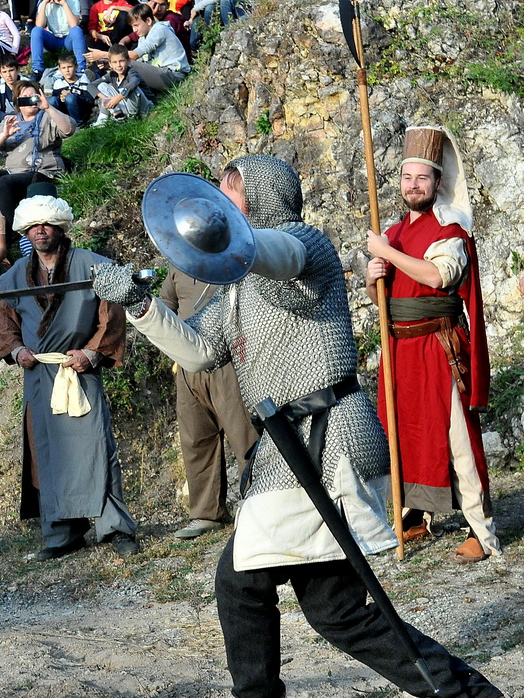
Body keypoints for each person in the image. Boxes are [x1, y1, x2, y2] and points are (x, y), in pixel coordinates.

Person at [91, 154, 505, 698]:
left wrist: (233, 240)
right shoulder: (235, 288)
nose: (219, 207)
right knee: (339, 614)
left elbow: (278, 257)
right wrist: (140, 304)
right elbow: (195, 351)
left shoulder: (305, 247)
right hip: (290, 448)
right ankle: (465, 692)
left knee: (238, 580)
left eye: (228, 197)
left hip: (329, 437)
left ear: (261, 199)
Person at [365, 126, 500, 564]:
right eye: (407, 178)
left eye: (423, 178)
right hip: (400, 348)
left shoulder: (452, 230)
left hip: (439, 348)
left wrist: (388, 252)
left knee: (457, 438)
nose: (414, 186)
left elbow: (438, 277)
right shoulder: (393, 231)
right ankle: (414, 516)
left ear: (438, 182)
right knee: (404, 434)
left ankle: (482, 531)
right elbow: (388, 297)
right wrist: (373, 278)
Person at [0, 194, 140, 560]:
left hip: (79, 370)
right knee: (48, 452)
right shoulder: (13, 276)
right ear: (25, 231)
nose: (40, 231)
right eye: (33, 226)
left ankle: (115, 528)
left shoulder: (95, 266)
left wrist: (91, 352)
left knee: (96, 448)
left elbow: (111, 314)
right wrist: (17, 352)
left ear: (60, 228)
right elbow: (7, 326)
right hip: (40, 376)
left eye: (47, 224)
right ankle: (63, 534)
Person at [158, 262, 258, 539]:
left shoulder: (232, 257)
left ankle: (258, 505)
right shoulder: (178, 265)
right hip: (187, 364)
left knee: (245, 436)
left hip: (230, 359)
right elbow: (166, 303)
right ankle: (206, 513)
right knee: (195, 439)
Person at [0, 80, 76, 239]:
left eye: (34, 96)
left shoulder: (47, 116)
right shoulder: (11, 120)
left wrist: (48, 107)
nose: (31, 100)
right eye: (25, 97)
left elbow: (69, 129)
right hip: (14, 174)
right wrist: (4, 135)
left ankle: (7, 235)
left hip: (43, 172)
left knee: (5, 182)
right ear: (17, 101)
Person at [87, 3, 189, 95]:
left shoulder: (159, 29)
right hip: (160, 73)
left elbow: (133, 56)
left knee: (129, 64)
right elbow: (141, 61)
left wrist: (104, 55)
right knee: (121, 69)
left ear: (148, 21)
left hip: (174, 75)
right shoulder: (143, 36)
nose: (134, 30)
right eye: (132, 26)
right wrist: (109, 64)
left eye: (136, 25)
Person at [90, 44, 151, 125]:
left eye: (121, 61)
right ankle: (119, 116)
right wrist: (105, 98)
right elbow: (90, 86)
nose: (118, 65)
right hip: (126, 107)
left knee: (131, 88)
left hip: (143, 107)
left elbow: (134, 83)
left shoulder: (131, 72)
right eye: (114, 62)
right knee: (102, 86)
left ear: (128, 61)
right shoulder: (112, 75)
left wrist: (117, 98)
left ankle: (133, 118)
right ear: (110, 64)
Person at [30, 0, 86, 81]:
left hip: (68, 39)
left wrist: (64, 4)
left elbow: (74, 24)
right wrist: (45, 3)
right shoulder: (43, 3)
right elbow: (39, 24)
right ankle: (37, 69)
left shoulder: (73, 1)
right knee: (36, 31)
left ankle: (81, 68)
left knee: (76, 30)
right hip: (53, 39)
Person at [50, 52, 93, 125]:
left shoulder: (83, 78)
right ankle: (57, 123)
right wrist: (61, 98)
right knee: (51, 100)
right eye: (64, 68)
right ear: (60, 70)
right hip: (64, 111)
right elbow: (55, 98)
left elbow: (89, 99)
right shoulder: (58, 83)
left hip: (81, 109)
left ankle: (77, 124)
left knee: (70, 98)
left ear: (76, 67)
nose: (67, 70)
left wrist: (72, 93)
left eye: (69, 67)